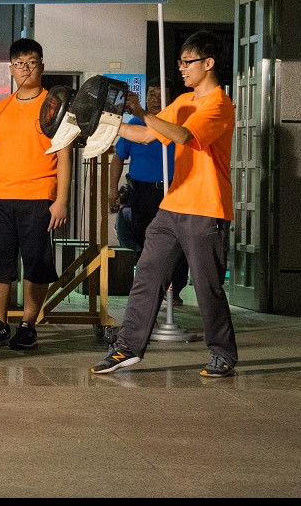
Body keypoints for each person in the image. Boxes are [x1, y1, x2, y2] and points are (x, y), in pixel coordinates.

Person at [91, 30, 238, 378]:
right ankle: (127, 347)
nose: (182, 68)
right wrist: (106, 123)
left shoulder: (218, 104)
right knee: (148, 274)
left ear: (209, 63)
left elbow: (183, 135)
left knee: (207, 287)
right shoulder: (183, 101)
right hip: (172, 205)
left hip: (206, 207)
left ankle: (223, 353)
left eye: (188, 62)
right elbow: (145, 135)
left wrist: (142, 111)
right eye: (180, 62)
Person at [0, 38, 71, 350]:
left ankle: (28, 324)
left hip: (40, 197)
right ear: (11, 69)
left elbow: (66, 157)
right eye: (19, 63)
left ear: (42, 65)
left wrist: (61, 201)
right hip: (0, 198)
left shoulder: (56, 108)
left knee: (36, 264)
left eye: (31, 62)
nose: (25, 69)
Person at [109, 81, 189, 307]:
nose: (155, 98)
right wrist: (112, 189)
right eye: (151, 94)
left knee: (178, 241)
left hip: (173, 189)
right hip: (142, 192)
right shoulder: (134, 125)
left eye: (160, 94)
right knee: (145, 242)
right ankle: (148, 288)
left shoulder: (176, 125)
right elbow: (118, 158)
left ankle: (175, 288)